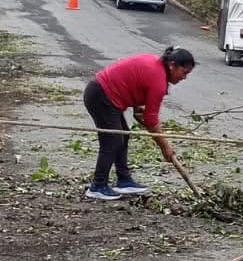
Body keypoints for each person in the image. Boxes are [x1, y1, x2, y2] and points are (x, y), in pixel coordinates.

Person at [81, 47, 196, 201]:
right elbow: (151, 119)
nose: (184, 77)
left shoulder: (156, 66)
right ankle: (98, 186)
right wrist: (165, 147)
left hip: (103, 94)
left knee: (123, 136)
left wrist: (137, 107)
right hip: (101, 96)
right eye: (184, 72)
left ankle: (124, 180)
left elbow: (135, 80)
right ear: (172, 65)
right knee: (113, 141)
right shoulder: (158, 80)